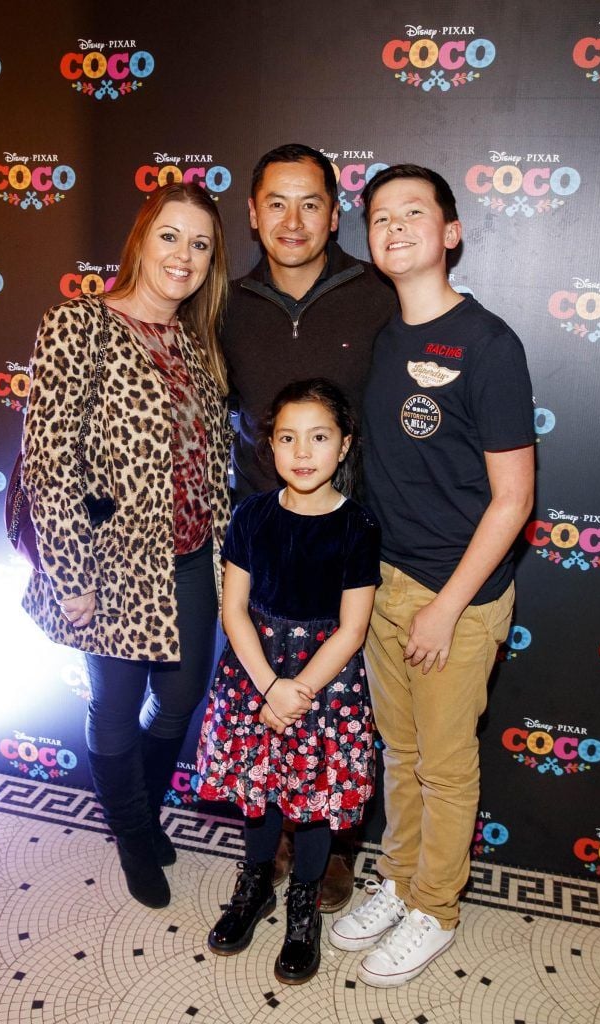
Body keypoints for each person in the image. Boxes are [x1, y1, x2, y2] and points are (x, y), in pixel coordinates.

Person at [330, 165, 535, 986]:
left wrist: (447, 608)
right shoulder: (382, 337)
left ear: (450, 232)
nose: (395, 226)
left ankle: (437, 909)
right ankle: (399, 879)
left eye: (415, 213)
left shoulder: (488, 343)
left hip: (458, 595)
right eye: (380, 216)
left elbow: (514, 497)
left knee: (446, 767)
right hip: (383, 582)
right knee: (398, 751)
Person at [21, 183, 232, 909]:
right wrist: (72, 576)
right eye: (170, 236)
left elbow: (207, 458)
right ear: (141, 239)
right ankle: (136, 835)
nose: (184, 256)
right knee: (115, 705)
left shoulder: (197, 340)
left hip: (193, 555)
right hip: (109, 563)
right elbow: (50, 460)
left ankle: (137, 810)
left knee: (179, 702)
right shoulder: (78, 324)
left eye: (200, 244)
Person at [221, 141, 397, 911]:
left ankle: (330, 849)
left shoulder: (378, 295)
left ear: (336, 212)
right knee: (268, 704)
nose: (294, 221)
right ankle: (272, 846)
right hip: (264, 540)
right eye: (277, 204)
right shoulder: (222, 303)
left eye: (311, 203)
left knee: (340, 706)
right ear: (253, 214)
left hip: (352, 539)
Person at [196, 378, 381, 984]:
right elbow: (233, 608)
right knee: (261, 787)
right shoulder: (250, 515)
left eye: (319, 437)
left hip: (324, 683)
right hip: (254, 673)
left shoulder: (357, 526)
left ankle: (304, 907)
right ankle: (255, 886)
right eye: (288, 438)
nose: (303, 452)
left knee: (312, 796)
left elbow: (352, 629)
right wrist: (269, 685)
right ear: (269, 448)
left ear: (344, 446)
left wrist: (297, 689)